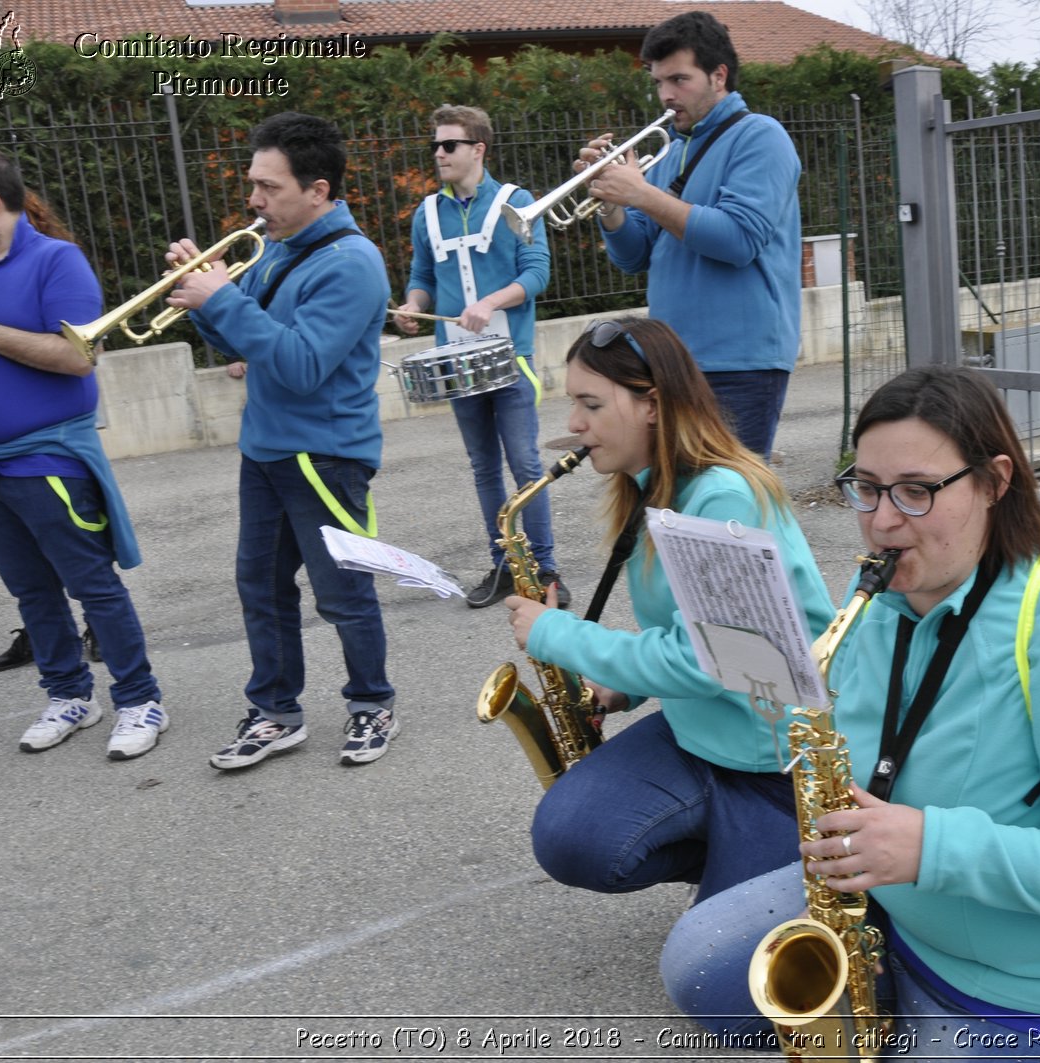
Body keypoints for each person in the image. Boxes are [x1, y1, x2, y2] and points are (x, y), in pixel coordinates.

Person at [660, 365, 1040, 1060]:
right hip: (902, 914)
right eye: (869, 487)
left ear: (994, 483)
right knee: (696, 968)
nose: (882, 521)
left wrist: (929, 847)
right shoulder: (875, 594)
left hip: (1038, 985)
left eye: (917, 491)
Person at [502, 316, 835, 909]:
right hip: (704, 733)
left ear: (651, 405)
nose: (574, 425)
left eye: (590, 404)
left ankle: (776, 853)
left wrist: (559, 636)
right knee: (569, 837)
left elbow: (714, 660)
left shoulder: (721, 497)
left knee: (719, 985)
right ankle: (735, 859)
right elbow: (685, 634)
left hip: (772, 763)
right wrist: (620, 690)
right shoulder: (652, 486)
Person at [164, 111, 398, 770]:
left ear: (318, 190)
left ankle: (372, 702)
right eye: (253, 184)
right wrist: (205, 298)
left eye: (268, 187)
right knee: (260, 589)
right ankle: (275, 712)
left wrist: (223, 299)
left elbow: (301, 365)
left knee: (342, 594)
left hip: (325, 454)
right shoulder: (278, 251)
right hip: (265, 449)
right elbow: (245, 342)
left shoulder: (352, 262)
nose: (254, 200)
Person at [0, 142, 168, 759]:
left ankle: (139, 699)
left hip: (45, 458)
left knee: (91, 585)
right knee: (31, 592)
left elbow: (76, 357)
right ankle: (69, 694)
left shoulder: (56, 262)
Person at [582, 10, 802, 458]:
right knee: (680, 508)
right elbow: (634, 256)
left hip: (741, 362)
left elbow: (738, 240)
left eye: (679, 80)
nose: (666, 96)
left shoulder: (760, 137)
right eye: (659, 82)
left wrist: (642, 195)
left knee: (728, 507)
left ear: (718, 75)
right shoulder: (671, 152)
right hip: (672, 362)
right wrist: (610, 205)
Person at [393, 104, 568, 610]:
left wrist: (491, 301)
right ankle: (505, 568)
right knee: (483, 467)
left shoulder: (516, 202)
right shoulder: (427, 213)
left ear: (478, 149)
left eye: (449, 145)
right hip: (456, 363)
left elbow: (537, 274)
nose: (439, 154)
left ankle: (547, 570)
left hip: (510, 357)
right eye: (435, 145)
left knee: (525, 464)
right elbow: (422, 278)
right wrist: (412, 305)